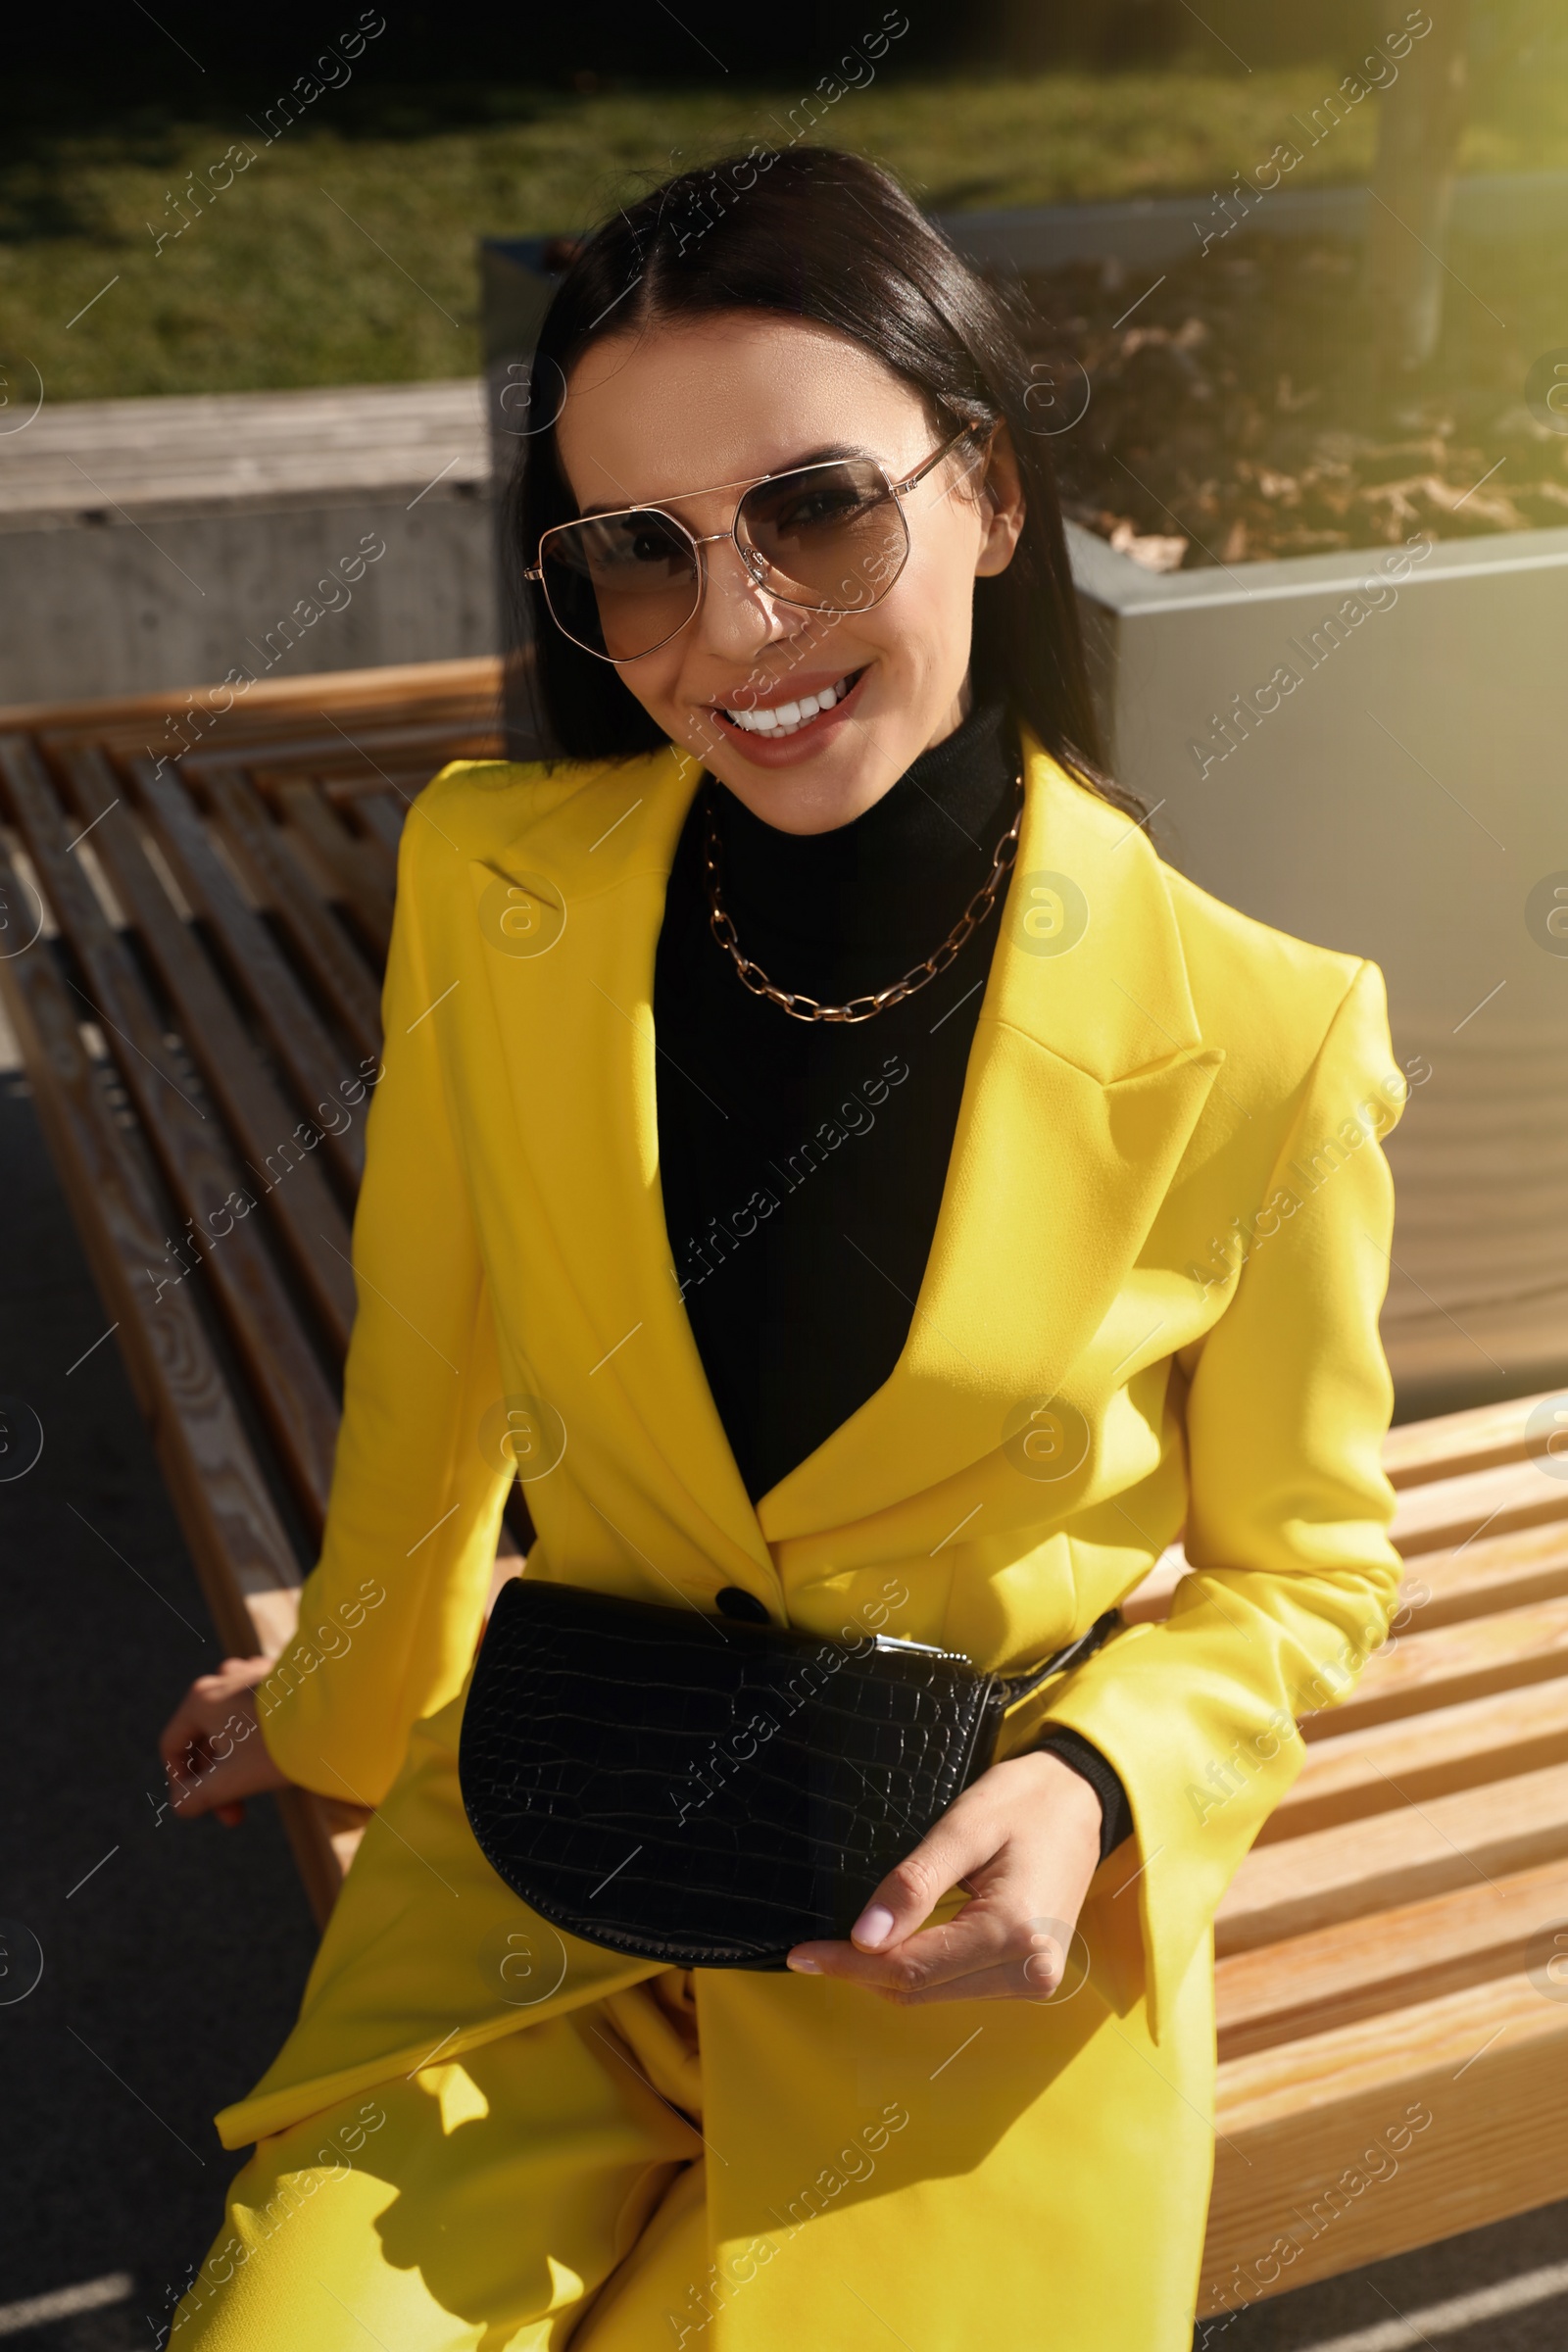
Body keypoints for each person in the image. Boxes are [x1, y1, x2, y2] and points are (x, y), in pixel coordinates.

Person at [159, 147, 1407, 2351]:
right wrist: (345, 1696)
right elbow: (427, 1375)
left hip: (934, 1940)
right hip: (543, 1863)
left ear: (992, 495)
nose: (730, 632)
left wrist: (1100, 1788)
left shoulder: (1263, 1038)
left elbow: (1301, 1567)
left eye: (814, 511)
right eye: (635, 559)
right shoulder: (492, 884)